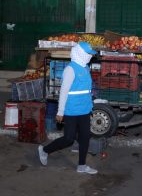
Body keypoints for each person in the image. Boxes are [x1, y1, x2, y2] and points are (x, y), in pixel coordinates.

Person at [37, 42, 98, 174]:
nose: (89, 57)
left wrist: (91, 103)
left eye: (90, 55)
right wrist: (60, 111)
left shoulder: (86, 68)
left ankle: (82, 165)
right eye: (87, 54)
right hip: (72, 110)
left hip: (85, 109)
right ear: (80, 54)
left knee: (85, 137)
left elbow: (86, 90)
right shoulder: (70, 69)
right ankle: (45, 150)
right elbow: (63, 92)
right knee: (68, 139)